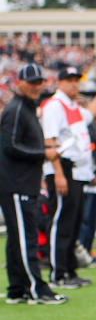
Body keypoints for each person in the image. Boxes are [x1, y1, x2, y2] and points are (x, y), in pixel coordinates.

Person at [0, 64, 68, 305]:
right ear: (19, 83)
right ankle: (37, 289)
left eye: (39, 82)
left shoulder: (26, 109)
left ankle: (18, 289)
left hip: (21, 184)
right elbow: (10, 146)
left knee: (18, 237)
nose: (36, 86)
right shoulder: (16, 110)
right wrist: (43, 153)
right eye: (31, 82)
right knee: (25, 238)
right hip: (16, 185)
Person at [40, 65, 96, 288]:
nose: (74, 84)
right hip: (63, 169)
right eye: (69, 80)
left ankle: (69, 269)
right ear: (60, 82)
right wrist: (58, 173)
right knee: (62, 222)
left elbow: (91, 114)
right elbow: (50, 141)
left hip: (78, 172)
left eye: (76, 80)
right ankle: (57, 273)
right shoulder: (54, 106)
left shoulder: (73, 107)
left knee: (74, 222)